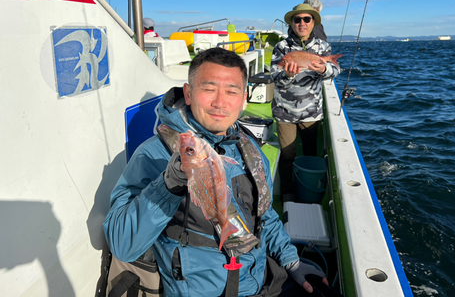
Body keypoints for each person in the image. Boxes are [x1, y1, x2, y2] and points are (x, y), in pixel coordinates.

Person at [103, 47, 327, 296]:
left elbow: (264, 216)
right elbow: (122, 244)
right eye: (208, 89)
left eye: (231, 92)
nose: (220, 103)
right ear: (188, 93)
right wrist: (168, 184)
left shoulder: (249, 148)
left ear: (244, 99)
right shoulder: (154, 154)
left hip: (261, 281)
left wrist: (291, 260)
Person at [271, 4, 341, 202]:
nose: (302, 23)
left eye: (306, 19)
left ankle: (309, 189)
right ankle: (288, 192)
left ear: (313, 23)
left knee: (310, 153)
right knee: (287, 155)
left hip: (312, 112)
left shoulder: (323, 47)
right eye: (297, 20)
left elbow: (334, 72)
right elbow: (275, 76)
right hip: (285, 111)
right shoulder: (281, 48)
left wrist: (323, 70)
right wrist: (287, 74)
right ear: (291, 24)